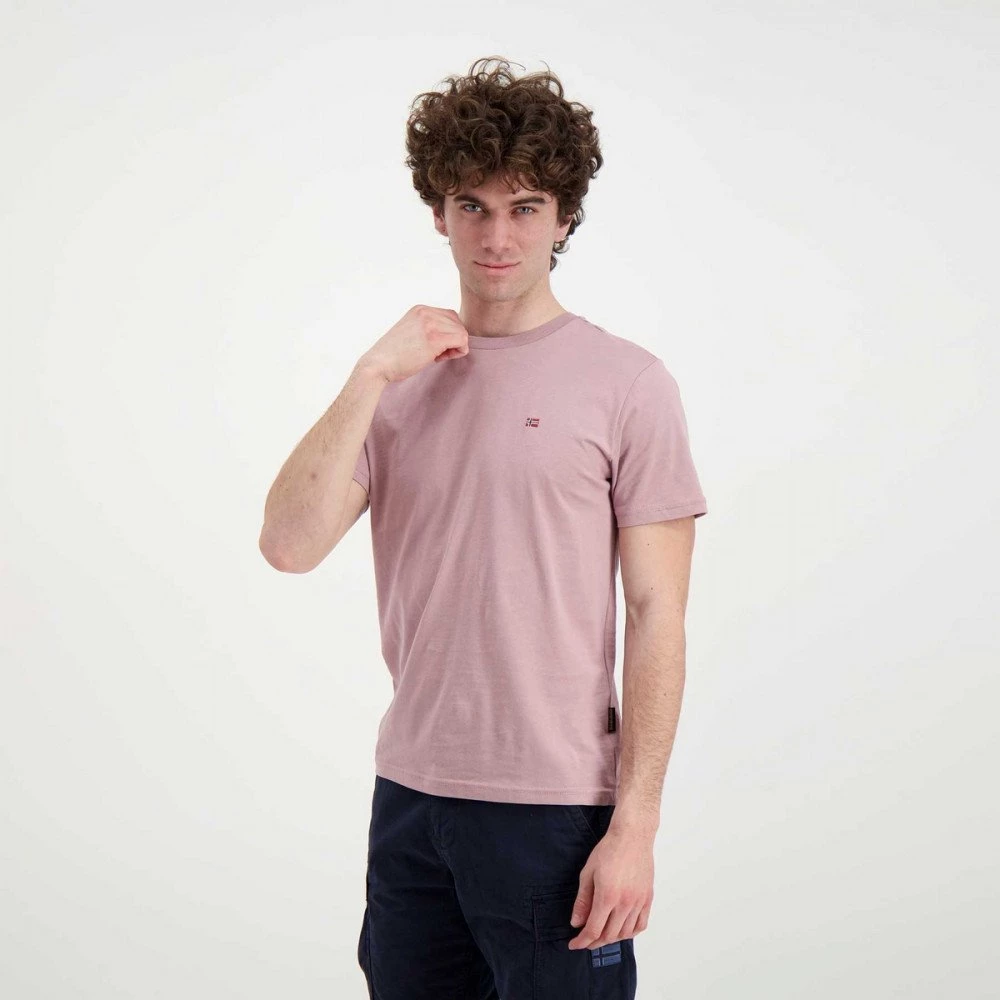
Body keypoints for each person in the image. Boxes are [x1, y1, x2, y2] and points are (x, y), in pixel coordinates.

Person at [260, 55, 707, 1000]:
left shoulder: (629, 384)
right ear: (438, 212)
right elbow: (288, 546)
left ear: (565, 217)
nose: (497, 236)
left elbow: (657, 613)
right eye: (472, 205)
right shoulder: (396, 383)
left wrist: (635, 825)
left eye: (526, 207)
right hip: (410, 798)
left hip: (553, 810)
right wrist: (369, 375)